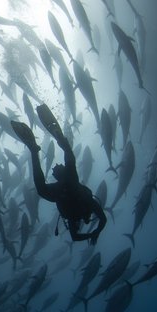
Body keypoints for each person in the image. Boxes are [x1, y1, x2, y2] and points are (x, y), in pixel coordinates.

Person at [11, 104, 107, 245]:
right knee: (43, 188)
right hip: (69, 186)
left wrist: (94, 233)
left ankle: (50, 142)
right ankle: (40, 147)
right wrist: (94, 234)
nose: (55, 167)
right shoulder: (88, 204)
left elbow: (97, 224)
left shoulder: (85, 208)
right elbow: (101, 221)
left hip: (64, 189)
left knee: (67, 160)